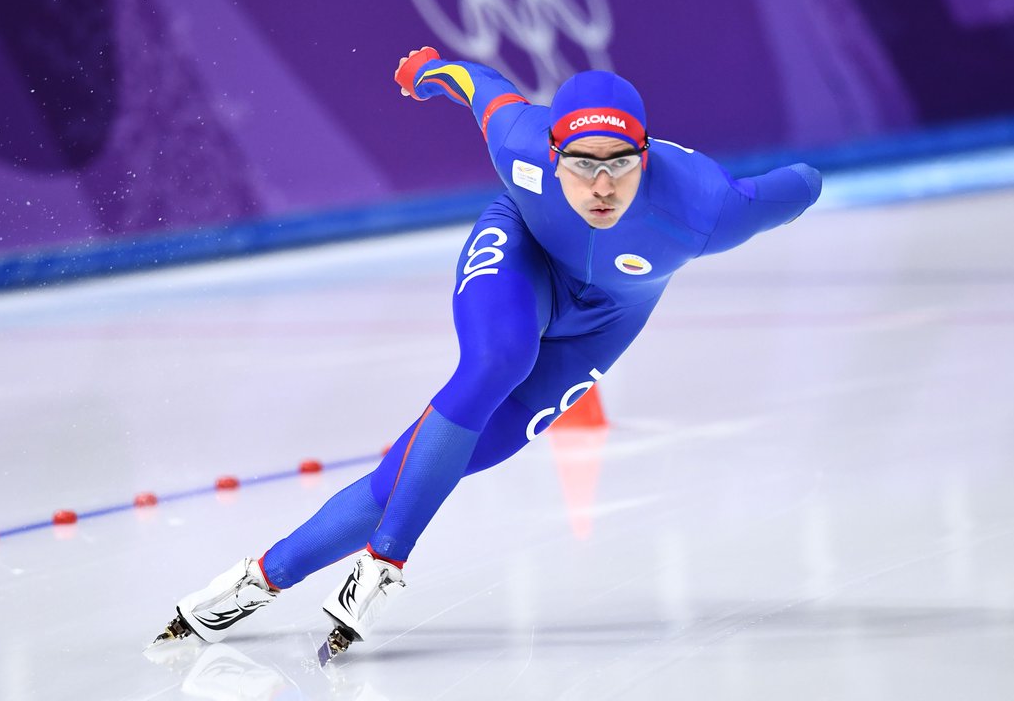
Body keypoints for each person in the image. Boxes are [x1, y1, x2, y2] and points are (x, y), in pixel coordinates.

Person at [154, 47, 822, 662]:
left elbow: (798, 184)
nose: (601, 185)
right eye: (583, 164)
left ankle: (256, 581)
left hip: (604, 321)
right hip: (523, 256)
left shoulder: (705, 208)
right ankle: (386, 564)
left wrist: (809, 179)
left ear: (644, 158)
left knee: (425, 469)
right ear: (552, 155)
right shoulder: (519, 145)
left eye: (618, 163)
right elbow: (481, 86)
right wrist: (428, 71)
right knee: (496, 359)